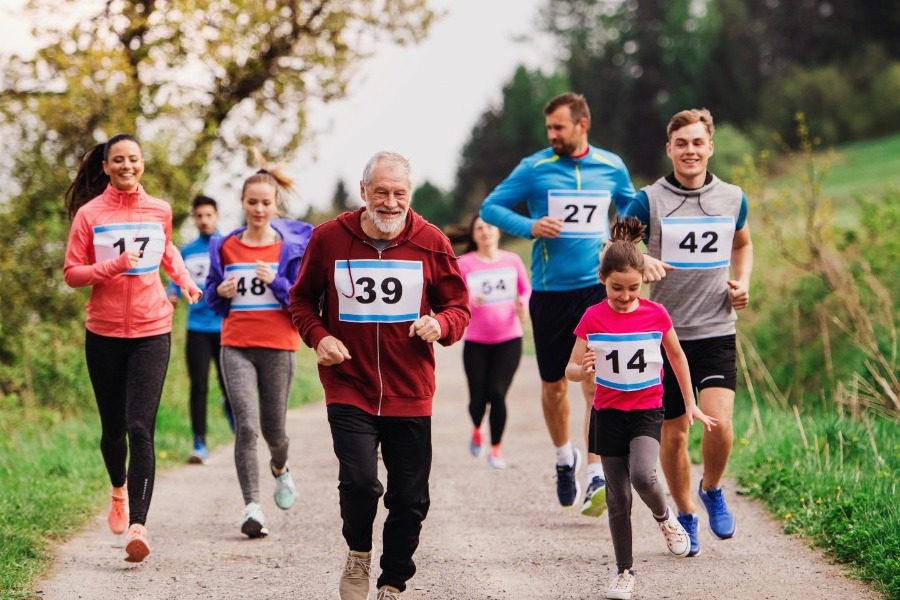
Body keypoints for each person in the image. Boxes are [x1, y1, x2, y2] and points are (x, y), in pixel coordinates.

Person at [289, 151, 469, 600]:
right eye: (382, 193)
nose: (390, 203)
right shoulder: (329, 238)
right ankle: (358, 554)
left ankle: (392, 582)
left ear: (410, 195)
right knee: (360, 482)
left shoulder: (430, 241)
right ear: (364, 191)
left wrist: (441, 324)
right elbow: (300, 301)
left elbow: (459, 308)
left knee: (410, 499)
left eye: (399, 194)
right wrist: (318, 336)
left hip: (410, 389)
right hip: (349, 384)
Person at [480, 92, 636, 515]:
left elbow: (630, 208)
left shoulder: (611, 166)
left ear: (582, 125)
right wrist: (530, 226)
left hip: (594, 289)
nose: (552, 135)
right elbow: (490, 208)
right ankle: (563, 456)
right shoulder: (535, 169)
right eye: (548, 128)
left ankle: (595, 472)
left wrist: (619, 241)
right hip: (550, 292)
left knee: (594, 382)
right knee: (553, 387)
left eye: (559, 128)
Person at [63, 134, 202, 563]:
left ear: (142, 164)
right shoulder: (90, 214)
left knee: (141, 427)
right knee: (113, 430)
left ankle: (138, 527)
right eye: (118, 160)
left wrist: (184, 279)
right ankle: (118, 490)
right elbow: (72, 273)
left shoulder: (159, 209)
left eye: (134, 159)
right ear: (105, 166)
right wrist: (114, 266)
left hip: (151, 328)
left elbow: (167, 249)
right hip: (103, 332)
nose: (127, 166)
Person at [623, 108, 754, 556]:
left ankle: (712, 488)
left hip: (717, 327)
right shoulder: (648, 200)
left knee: (720, 424)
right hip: (664, 334)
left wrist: (744, 282)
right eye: (682, 143)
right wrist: (641, 261)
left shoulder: (734, 198)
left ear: (710, 146)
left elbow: (743, 243)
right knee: (675, 433)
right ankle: (685, 513)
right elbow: (616, 246)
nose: (690, 151)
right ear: (669, 149)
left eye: (698, 142)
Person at [565, 217, 717, 600]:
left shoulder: (655, 314)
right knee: (617, 498)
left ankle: (666, 520)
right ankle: (624, 572)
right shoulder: (592, 318)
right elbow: (569, 367)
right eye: (617, 288)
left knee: (645, 478)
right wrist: (580, 370)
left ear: (643, 283)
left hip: (647, 411)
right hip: (608, 414)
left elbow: (678, 358)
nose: (625, 295)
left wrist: (690, 404)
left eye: (634, 287)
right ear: (603, 281)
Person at [205, 156, 313, 538]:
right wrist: (219, 291)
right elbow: (212, 300)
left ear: (275, 205)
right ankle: (252, 506)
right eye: (252, 202)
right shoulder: (226, 246)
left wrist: (277, 283)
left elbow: (301, 300)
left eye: (266, 203)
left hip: (278, 347)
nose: (259, 209)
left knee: (275, 432)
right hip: (235, 345)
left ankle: (280, 468)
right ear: (243, 202)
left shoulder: (289, 249)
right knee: (246, 427)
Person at [454, 215, 530, 468]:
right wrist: (467, 301)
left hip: (509, 338)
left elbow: (525, 289)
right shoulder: (464, 263)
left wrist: (523, 304)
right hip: (476, 340)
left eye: (489, 227)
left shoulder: (512, 260)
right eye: (479, 228)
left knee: (497, 393)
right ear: (473, 235)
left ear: (498, 232)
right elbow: (454, 296)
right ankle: (477, 427)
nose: (485, 231)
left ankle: (495, 450)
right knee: (478, 398)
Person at [167, 195, 234, 464]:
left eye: (209, 215)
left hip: (225, 326)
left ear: (216, 216)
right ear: (194, 218)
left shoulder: (229, 246)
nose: (204, 220)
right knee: (199, 386)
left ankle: (238, 427)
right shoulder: (187, 251)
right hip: (196, 328)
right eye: (199, 216)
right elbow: (175, 281)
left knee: (229, 384)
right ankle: (199, 443)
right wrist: (171, 294)